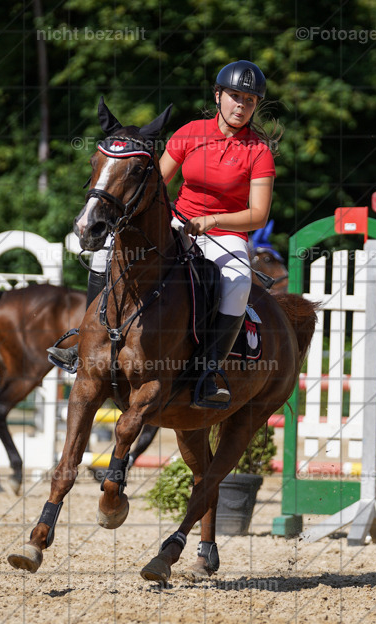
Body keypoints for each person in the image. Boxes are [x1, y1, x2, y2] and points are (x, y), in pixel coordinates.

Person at [49, 60, 276, 410]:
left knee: (238, 280)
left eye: (249, 99)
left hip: (225, 232)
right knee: (102, 253)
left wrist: (213, 221)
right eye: (234, 96)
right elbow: (155, 183)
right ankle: (84, 343)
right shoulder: (190, 133)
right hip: (176, 221)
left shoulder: (259, 152)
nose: (241, 105)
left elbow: (258, 214)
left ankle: (207, 371)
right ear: (218, 96)